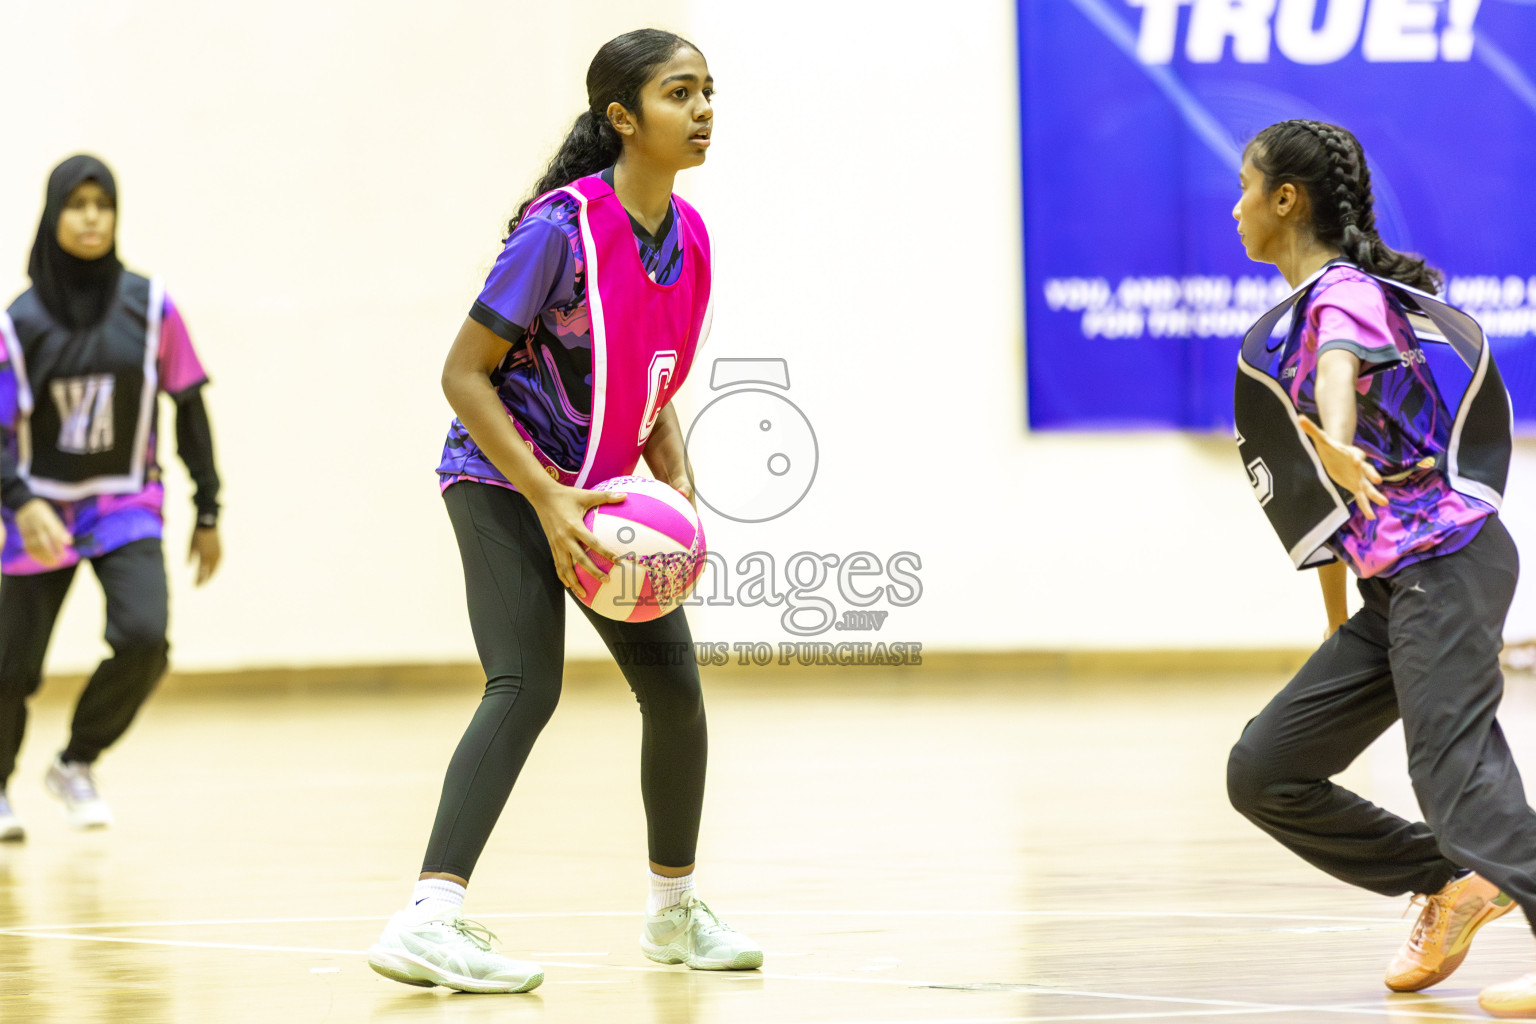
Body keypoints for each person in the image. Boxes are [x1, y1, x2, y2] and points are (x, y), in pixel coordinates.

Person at [366, 29, 761, 995]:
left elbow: (644, 376)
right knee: (525, 683)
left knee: (674, 688)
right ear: (623, 117)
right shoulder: (559, 231)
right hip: (504, 483)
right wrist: (543, 496)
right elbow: (462, 376)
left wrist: (673, 467)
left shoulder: (691, 239)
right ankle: (427, 917)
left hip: (598, 498)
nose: (703, 109)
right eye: (680, 94)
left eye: (709, 91)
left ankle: (674, 913)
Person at [1224, 119, 1536, 1018]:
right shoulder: (1290, 321)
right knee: (1265, 769)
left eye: (1246, 186)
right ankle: (1455, 880)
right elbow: (1323, 509)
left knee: (1454, 777)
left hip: (1448, 562)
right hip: (1396, 587)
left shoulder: (1343, 295)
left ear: (1287, 201)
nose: (1234, 205)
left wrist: (1343, 440)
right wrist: (1339, 628)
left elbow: (1337, 377)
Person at [0, 154, 222, 841]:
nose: (92, 217)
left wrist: (208, 507)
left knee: (144, 637)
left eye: (104, 204)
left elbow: (188, 407)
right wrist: (19, 499)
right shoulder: (19, 323)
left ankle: (76, 761)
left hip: (125, 505)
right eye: (77, 204)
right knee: (12, 667)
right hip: (40, 512)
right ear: (54, 214)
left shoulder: (152, 308)